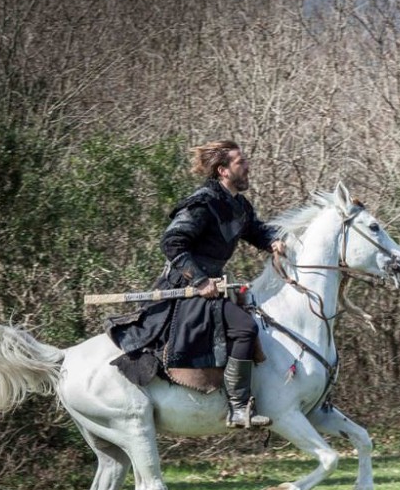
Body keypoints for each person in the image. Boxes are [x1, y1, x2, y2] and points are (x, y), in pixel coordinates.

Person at [108, 140, 285, 428]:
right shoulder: (203, 203)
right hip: (187, 285)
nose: (248, 166)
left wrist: (273, 241)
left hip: (214, 284)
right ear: (223, 170)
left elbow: (254, 229)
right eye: (241, 162)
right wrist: (200, 280)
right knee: (246, 328)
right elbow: (172, 243)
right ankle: (239, 408)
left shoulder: (238, 205)